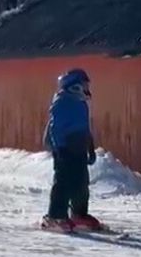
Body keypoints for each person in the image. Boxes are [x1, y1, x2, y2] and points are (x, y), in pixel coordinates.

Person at [41, 68, 101, 232]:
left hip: (79, 149)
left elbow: (85, 128)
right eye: (84, 84)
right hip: (65, 150)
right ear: (73, 86)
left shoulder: (81, 104)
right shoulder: (61, 102)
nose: (87, 88)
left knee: (81, 183)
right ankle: (55, 216)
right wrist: (59, 148)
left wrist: (90, 148)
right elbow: (55, 128)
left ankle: (79, 213)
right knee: (63, 183)